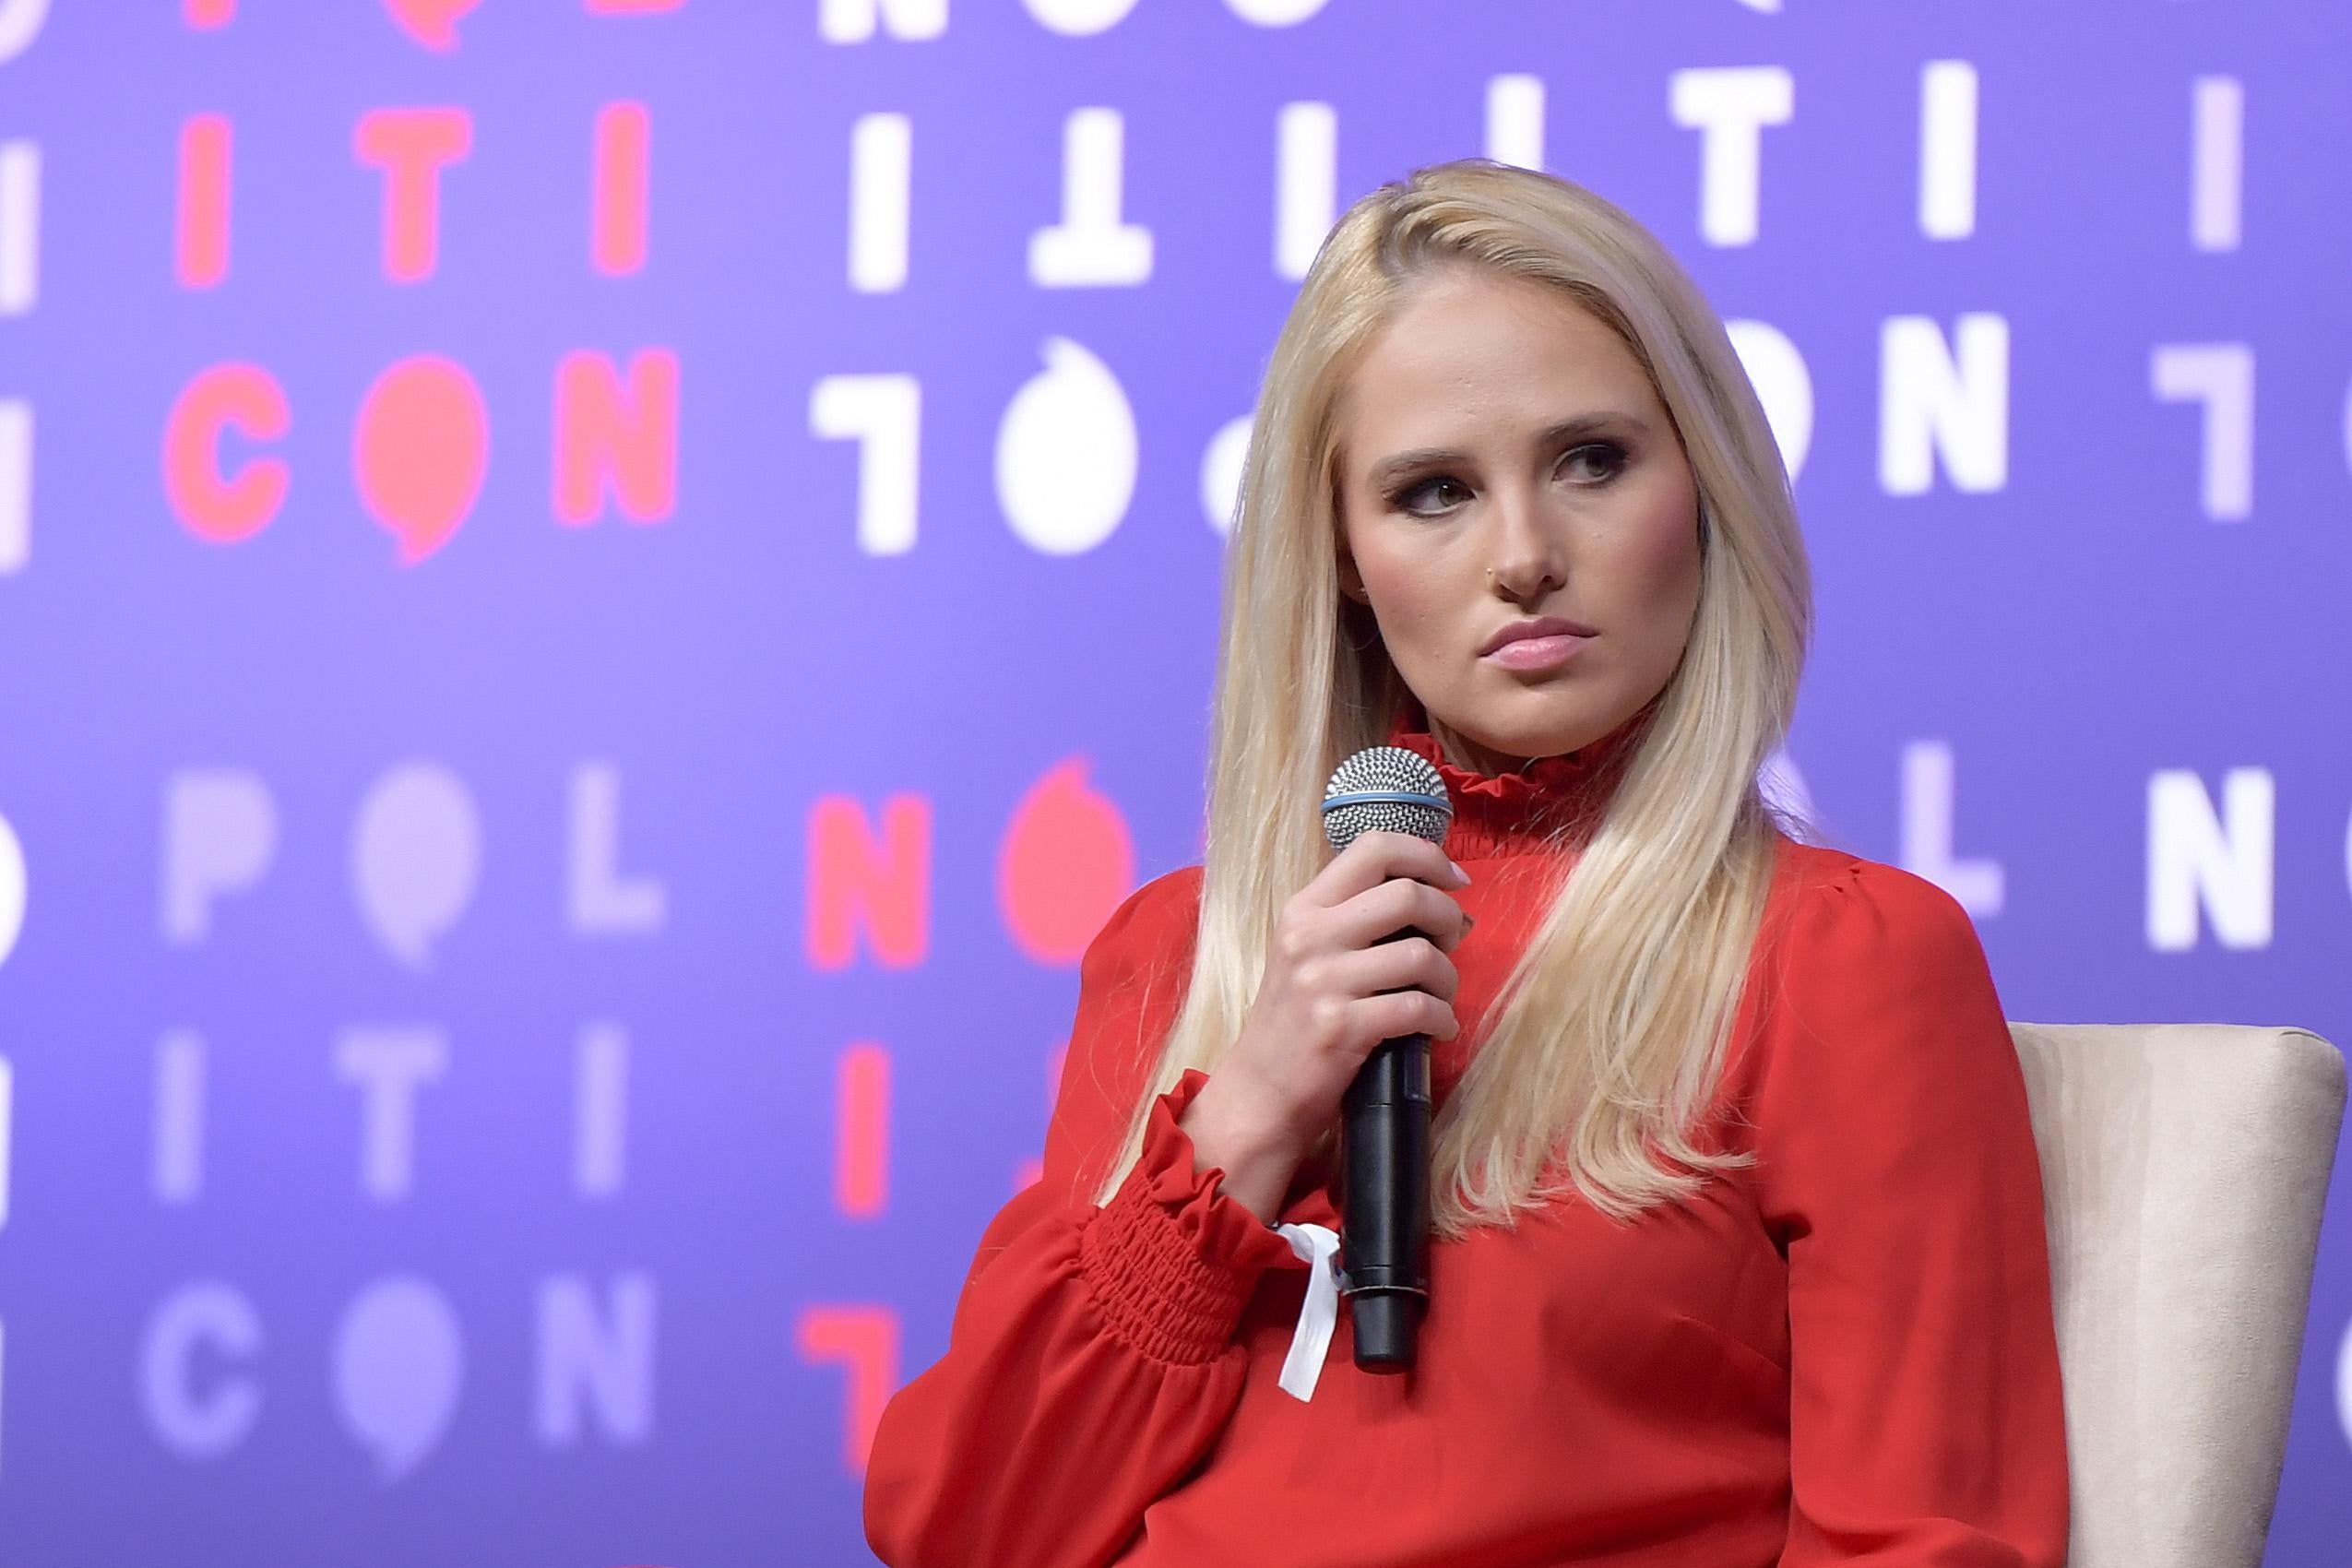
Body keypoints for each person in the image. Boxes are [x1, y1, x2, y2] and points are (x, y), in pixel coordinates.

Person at [862, 158, 2069, 1568]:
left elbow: (1922, 1540)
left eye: (1591, 460)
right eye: (1433, 492)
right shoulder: (1180, 960)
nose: (1524, 556)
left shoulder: (1844, 959)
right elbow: (967, 1527)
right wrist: (1246, 1114)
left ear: (1708, 486)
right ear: (1344, 561)